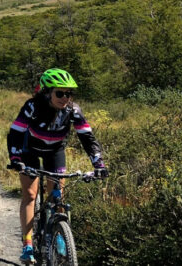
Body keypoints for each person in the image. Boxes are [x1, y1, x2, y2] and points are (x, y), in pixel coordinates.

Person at [7, 68, 108, 264]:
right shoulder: (32, 107)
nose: (65, 98)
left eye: (69, 93)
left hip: (55, 152)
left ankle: (60, 236)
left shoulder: (73, 110)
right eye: (60, 93)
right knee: (30, 194)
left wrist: (99, 164)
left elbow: (87, 137)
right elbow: (15, 133)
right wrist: (16, 159)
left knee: (58, 196)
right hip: (30, 151)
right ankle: (28, 244)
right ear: (47, 92)